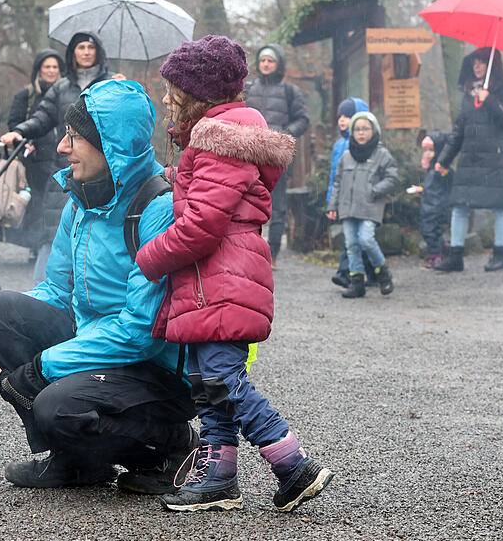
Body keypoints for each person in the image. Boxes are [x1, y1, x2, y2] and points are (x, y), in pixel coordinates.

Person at [0, 79, 197, 490]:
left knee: (55, 407)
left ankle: (174, 445)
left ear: (112, 146)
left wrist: (43, 368)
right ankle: (79, 460)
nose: (62, 147)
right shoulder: (80, 199)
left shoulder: (157, 209)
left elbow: (140, 334)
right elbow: (56, 289)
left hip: (155, 371)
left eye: (75, 137)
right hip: (98, 342)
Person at [135, 35, 333, 513]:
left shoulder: (221, 140)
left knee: (223, 378)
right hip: (212, 281)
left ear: (198, 94)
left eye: (173, 91)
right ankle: (219, 476)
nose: (165, 99)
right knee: (207, 380)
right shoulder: (214, 140)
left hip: (219, 278)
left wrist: (148, 259)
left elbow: (201, 226)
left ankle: (292, 464)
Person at [0, 32, 117, 284]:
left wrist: (125, 89)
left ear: (98, 52)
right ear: (72, 53)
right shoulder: (61, 87)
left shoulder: (111, 84)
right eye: (80, 47)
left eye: (90, 47)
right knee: (53, 233)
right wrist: (19, 131)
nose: (86, 52)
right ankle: (45, 292)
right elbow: (42, 118)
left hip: (103, 172)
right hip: (66, 170)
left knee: (98, 233)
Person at [434, 47, 503, 273]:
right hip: (469, 160)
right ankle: (456, 256)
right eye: (474, 63)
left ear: (493, 66)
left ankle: (500, 255)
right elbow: (458, 131)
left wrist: (490, 100)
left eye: (482, 62)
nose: (477, 67)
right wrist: (444, 159)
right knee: (459, 206)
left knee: (500, 207)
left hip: (495, 161)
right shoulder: (467, 97)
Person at [244, 43, 310, 268]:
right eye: (263, 60)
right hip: (250, 155)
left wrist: (283, 135)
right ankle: (251, 251)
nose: (266, 64)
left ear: (278, 64)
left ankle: (272, 255)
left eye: (270, 61)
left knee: (278, 205)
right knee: (248, 202)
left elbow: (303, 120)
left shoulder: (290, 91)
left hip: (278, 156)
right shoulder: (249, 89)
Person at [326, 111, 399, 298]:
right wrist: (332, 206)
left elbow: (392, 177)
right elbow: (337, 182)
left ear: (374, 130)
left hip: (370, 206)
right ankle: (357, 282)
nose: (361, 133)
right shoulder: (347, 155)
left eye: (365, 129)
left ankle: (383, 274)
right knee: (351, 244)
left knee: (366, 240)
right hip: (347, 207)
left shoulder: (381, 154)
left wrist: (375, 190)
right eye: (357, 129)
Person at [5, 49, 65, 255]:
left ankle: (51, 243)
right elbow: (15, 122)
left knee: (57, 202)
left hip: (61, 157)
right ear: (39, 70)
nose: (51, 71)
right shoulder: (27, 95)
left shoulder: (65, 93)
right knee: (39, 202)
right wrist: (23, 140)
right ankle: (38, 245)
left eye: (55, 67)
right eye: (47, 67)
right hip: (36, 159)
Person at [328, 97, 377, 288]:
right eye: (340, 116)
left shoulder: (365, 145)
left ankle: (345, 272)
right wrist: (331, 200)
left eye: (347, 116)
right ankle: (371, 273)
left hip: (363, 198)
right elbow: (335, 175)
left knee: (357, 238)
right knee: (354, 237)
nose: (342, 120)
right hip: (345, 198)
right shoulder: (339, 144)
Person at [408, 132, 452, 269]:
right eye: (425, 150)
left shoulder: (441, 169)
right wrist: (421, 188)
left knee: (432, 231)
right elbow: (431, 186)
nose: (427, 153)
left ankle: (436, 256)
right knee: (429, 230)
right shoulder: (431, 169)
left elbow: (446, 182)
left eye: (431, 150)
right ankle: (444, 249)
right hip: (429, 205)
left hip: (437, 206)